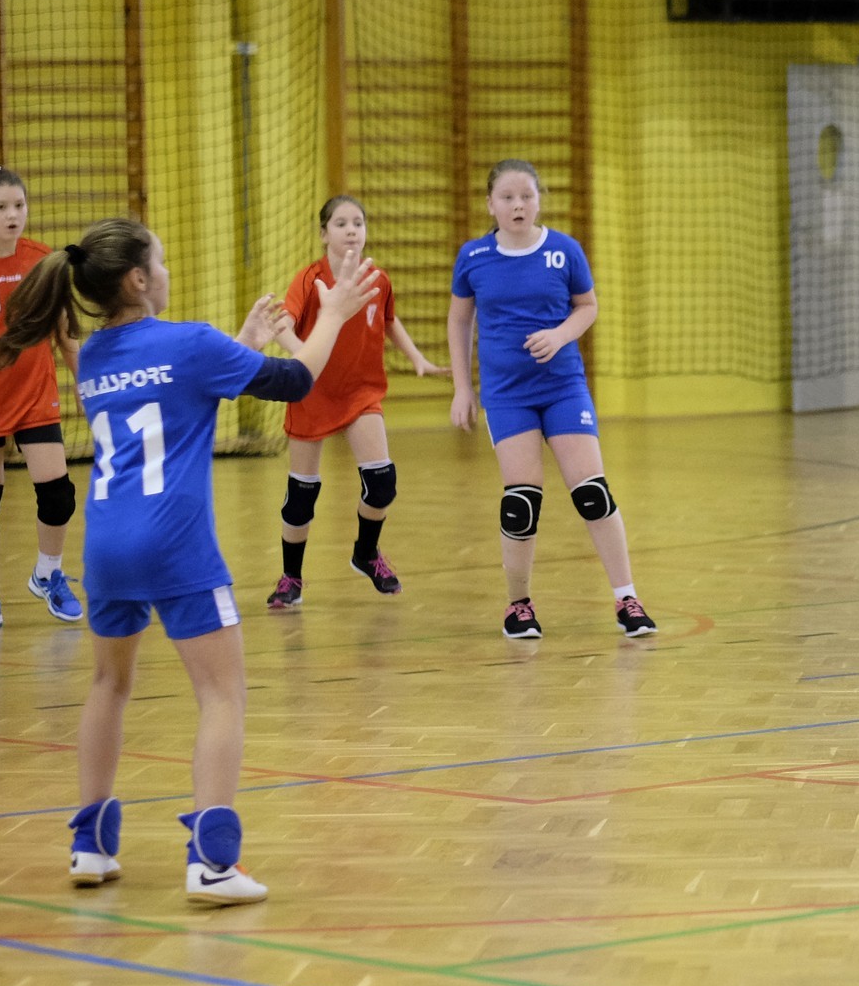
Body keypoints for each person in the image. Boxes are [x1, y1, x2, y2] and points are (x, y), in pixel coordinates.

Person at [0, 217, 381, 903]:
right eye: (162, 262)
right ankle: (213, 863)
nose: (168, 272)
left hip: (106, 547)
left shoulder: (95, 356)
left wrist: (242, 344)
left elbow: (172, 395)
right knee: (223, 693)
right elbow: (295, 380)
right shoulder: (191, 343)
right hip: (176, 545)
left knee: (108, 685)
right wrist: (335, 314)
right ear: (139, 279)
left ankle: (90, 846)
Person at [448, 159, 656, 641]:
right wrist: (463, 387)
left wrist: (560, 335)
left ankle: (627, 598)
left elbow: (588, 307)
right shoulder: (474, 256)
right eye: (507, 197)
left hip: (562, 387)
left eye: (527, 196)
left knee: (592, 493)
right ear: (490, 204)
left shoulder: (564, 251)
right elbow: (459, 321)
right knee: (521, 502)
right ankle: (518, 605)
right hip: (507, 395)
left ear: (539, 200)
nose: (518, 205)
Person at [266, 195, 449, 609]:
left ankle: (366, 553)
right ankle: (291, 578)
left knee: (382, 483)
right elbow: (282, 324)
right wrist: (304, 360)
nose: (351, 230)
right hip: (311, 393)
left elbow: (388, 320)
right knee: (301, 495)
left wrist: (417, 357)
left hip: (360, 393)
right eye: (341, 224)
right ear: (323, 234)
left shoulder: (377, 279)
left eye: (358, 223)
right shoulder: (310, 279)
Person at [0, 167, 83, 631]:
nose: (13, 214)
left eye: (19, 205)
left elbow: (66, 333)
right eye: (1, 207)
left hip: (34, 396)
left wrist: (85, 385)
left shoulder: (43, 262)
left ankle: (48, 574)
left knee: (58, 496)